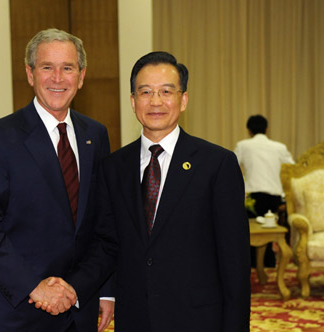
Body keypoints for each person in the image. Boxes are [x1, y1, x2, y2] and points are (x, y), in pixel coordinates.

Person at [43, 51, 250, 331]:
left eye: (166, 91)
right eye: (145, 92)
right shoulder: (114, 167)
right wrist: (78, 287)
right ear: (132, 101)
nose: (155, 102)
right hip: (136, 317)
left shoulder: (217, 164)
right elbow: (107, 244)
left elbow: (234, 261)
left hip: (199, 319)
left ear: (184, 99)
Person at [0, 28, 114, 332]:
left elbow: (103, 222)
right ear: (30, 74)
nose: (57, 78)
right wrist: (34, 286)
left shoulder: (95, 135)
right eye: (47, 67)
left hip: (79, 305)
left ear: (81, 76)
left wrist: (104, 288)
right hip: (18, 309)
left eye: (67, 68)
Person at [234, 114, 294, 267]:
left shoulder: (243, 145)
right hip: (274, 197)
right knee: (269, 227)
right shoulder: (280, 147)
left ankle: (253, 264)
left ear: (248, 130)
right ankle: (268, 262)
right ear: (267, 129)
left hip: (251, 197)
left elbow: (232, 168)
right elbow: (292, 169)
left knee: (250, 231)